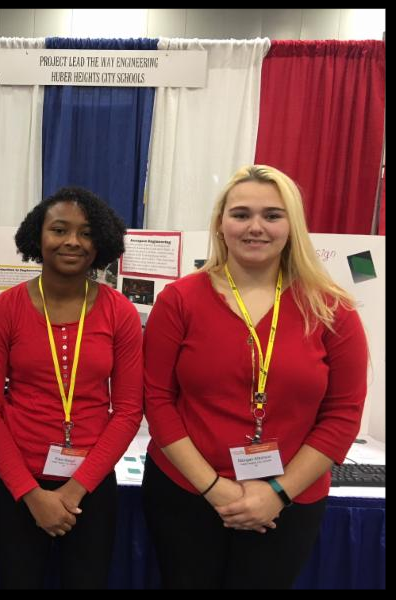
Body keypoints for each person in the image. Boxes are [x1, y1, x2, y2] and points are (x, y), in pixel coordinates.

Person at [142, 164, 368, 589]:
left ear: (292, 225)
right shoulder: (179, 301)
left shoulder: (331, 309)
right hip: (187, 493)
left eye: (272, 215)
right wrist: (215, 488)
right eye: (241, 214)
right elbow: (157, 401)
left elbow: (343, 414)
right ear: (220, 223)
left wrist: (277, 493)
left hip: (288, 501)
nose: (255, 227)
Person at [0, 186, 144, 588]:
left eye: (86, 233)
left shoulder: (119, 312)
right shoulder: (4, 310)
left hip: (91, 486)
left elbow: (128, 410)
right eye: (60, 230)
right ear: (38, 236)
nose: (72, 241)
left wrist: (73, 492)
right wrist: (31, 494)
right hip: (19, 485)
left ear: (101, 242)